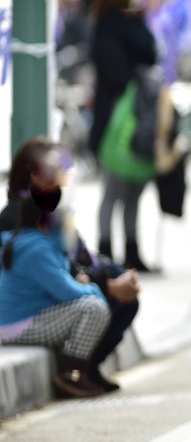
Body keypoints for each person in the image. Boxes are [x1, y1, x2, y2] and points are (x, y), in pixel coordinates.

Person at [0, 138, 141, 392]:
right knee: (95, 306)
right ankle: (73, 372)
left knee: (115, 285)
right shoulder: (21, 223)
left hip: (50, 294)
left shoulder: (49, 221)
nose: (62, 178)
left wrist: (103, 277)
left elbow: (80, 257)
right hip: (31, 308)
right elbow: (61, 279)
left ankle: (87, 368)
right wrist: (103, 286)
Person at [88, 0, 159, 272]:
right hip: (120, 121)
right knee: (121, 191)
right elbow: (144, 57)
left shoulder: (106, 27)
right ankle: (112, 253)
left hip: (116, 118)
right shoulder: (115, 29)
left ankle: (119, 252)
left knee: (121, 191)